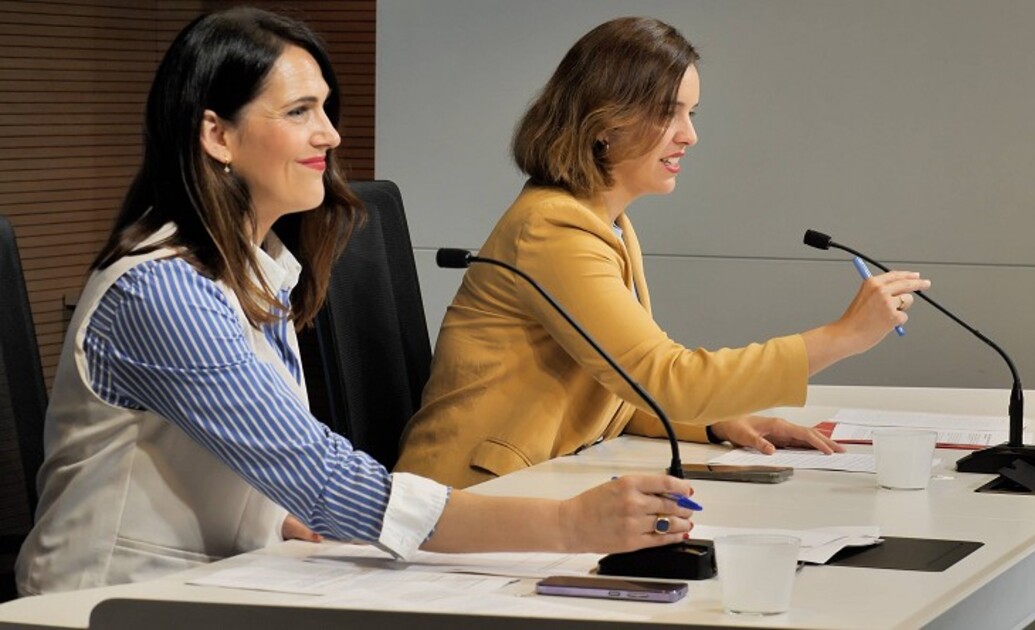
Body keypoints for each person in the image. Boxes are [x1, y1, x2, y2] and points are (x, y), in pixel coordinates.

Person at [15, 8, 696, 596]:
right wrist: (565, 526)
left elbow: (237, 463)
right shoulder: (160, 291)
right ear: (216, 135)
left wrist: (271, 519)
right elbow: (320, 477)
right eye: (299, 112)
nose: (331, 135)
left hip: (220, 575)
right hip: (104, 602)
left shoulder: (258, 271)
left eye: (325, 109)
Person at [395, 17, 931, 489]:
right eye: (669, 114)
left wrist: (716, 422)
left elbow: (621, 386)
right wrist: (843, 337)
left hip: (534, 483)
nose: (690, 136)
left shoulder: (605, 223)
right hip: (469, 494)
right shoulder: (554, 229)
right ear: (604, 122)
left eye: (692, 113)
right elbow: (665, 378)